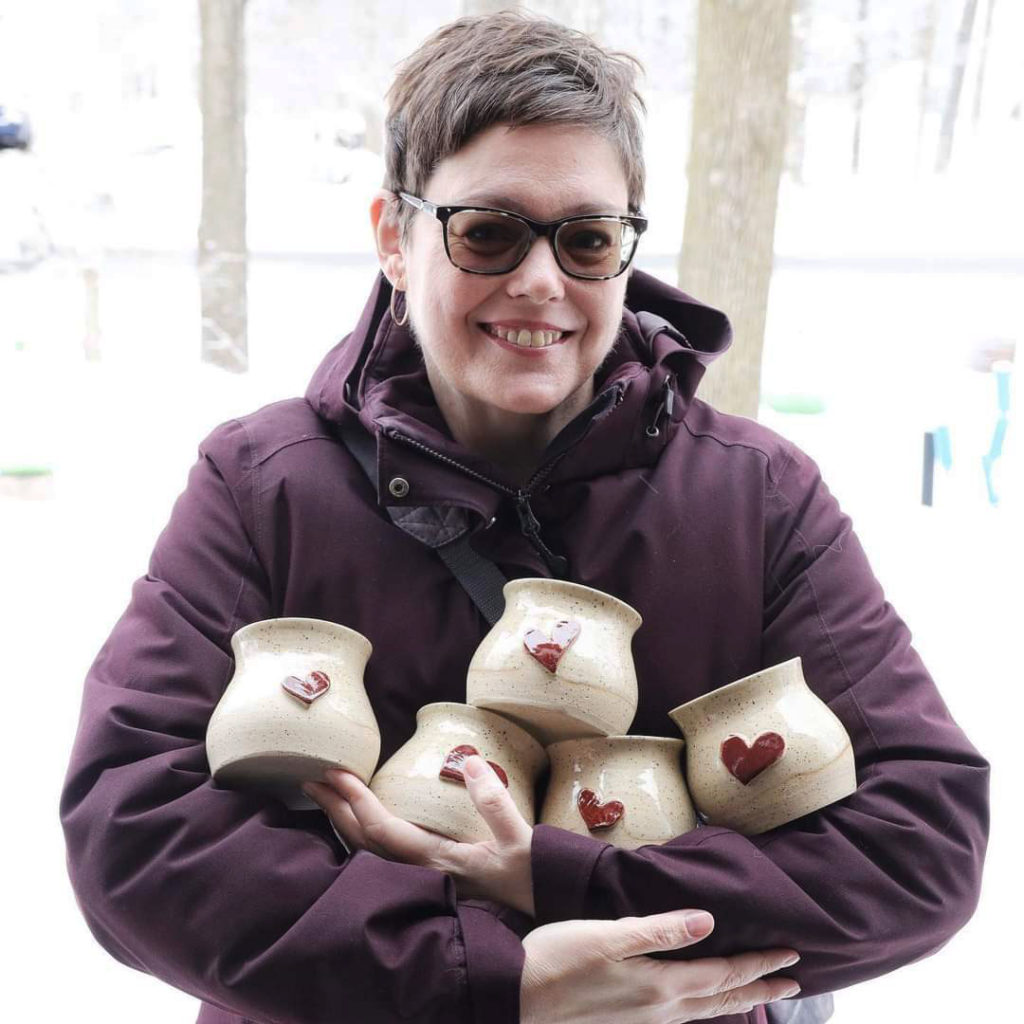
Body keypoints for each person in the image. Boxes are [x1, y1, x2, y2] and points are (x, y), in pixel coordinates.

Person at [60, 11, 989, 1024]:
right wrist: (495, 980)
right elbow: (135, 831)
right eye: (489, 231)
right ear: (394, 238)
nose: (541, 280)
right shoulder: (262, 485)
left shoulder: (756, 497)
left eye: (587, 237)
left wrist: (561, 879)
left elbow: (921, 842)